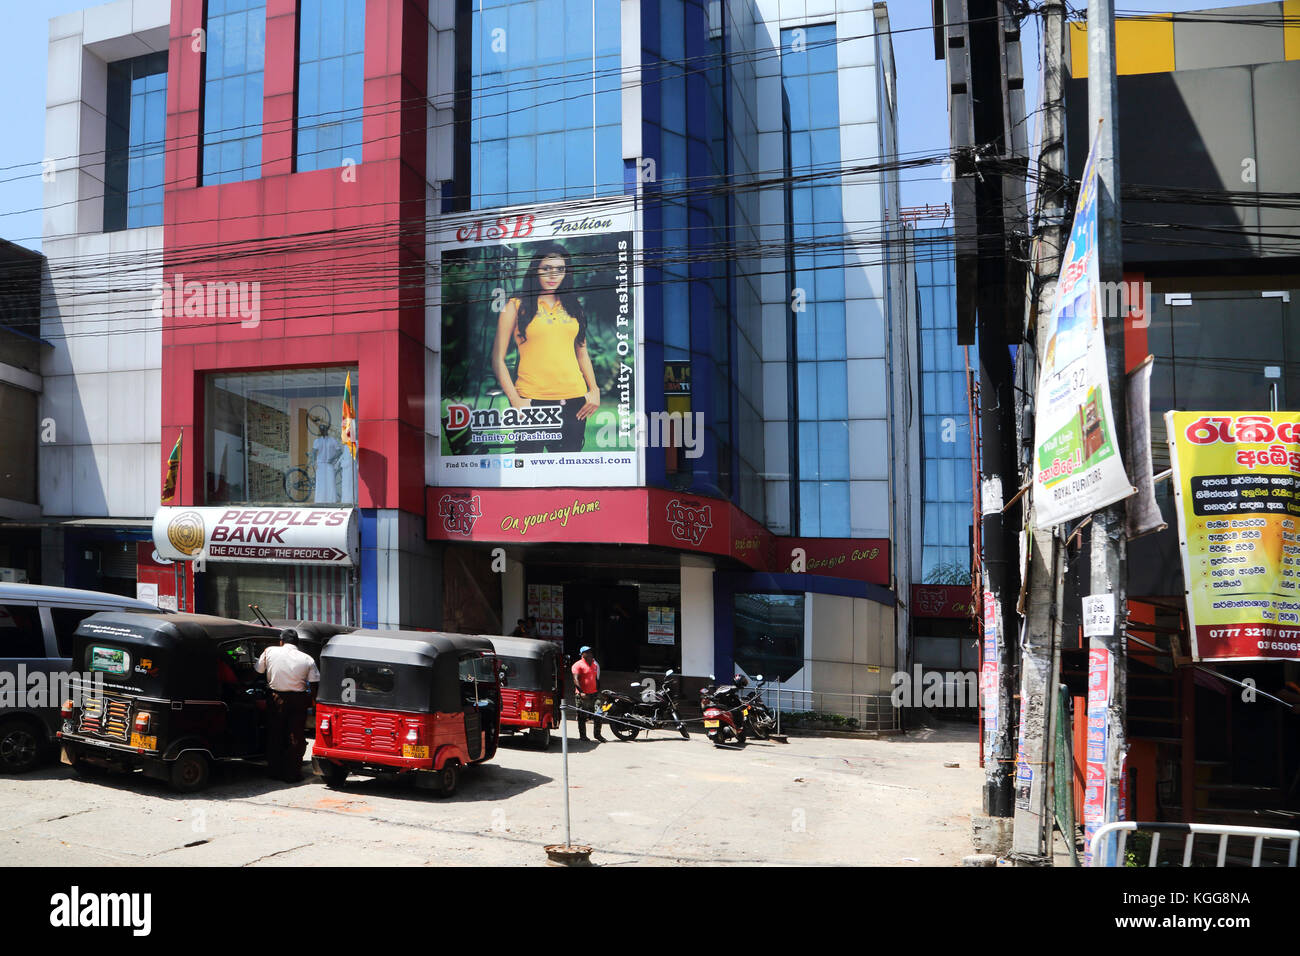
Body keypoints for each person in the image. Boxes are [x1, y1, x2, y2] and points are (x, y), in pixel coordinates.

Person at [491, 243, 601, 454]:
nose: (553, 275)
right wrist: (515, 400)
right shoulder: (515, 306)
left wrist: (594, 390)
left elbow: (581, 352)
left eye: (560, 269)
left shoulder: (574, 305)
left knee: (569, 472)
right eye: (546, 268)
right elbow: (497, 359)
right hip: (531, 402)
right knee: (528, 472)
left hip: (574, 402)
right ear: (535, 270)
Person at [254, 628, 320, 782]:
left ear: (281, 641)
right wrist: (314, 704)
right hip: (299, 700)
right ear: (297, 643)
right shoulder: (307, 659)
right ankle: (292, 774)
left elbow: (258, 670)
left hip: (276, 697)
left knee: (275, 733)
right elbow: (315, 684)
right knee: (295, 736)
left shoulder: (269, 651)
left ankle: (274, 771)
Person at [570, 645, 604, 742]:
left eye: (591, 652)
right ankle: (583, 736)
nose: (590, 654)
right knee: (582, 716)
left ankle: (597, 735)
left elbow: (596, 679)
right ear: (582, 654)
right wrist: (581, 692)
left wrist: (599, 691)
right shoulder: (577, 665)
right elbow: (575, 680)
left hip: (594, 693)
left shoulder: (594, 664)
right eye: (587, 652)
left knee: (598, 714)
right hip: (582, 694)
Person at [312, 422, 342, 504]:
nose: (322, 431)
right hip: (320, 464)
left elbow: (339, 451)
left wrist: (333, 458)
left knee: (330, 482)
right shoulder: (317, 441)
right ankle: (320, 500)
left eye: (324, 429)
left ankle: (331, 500)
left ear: (326, 430)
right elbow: (314, 452)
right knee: (320, 483)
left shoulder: (332, 440)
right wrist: (313, 462)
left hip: (329, 464)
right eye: (321, 429)